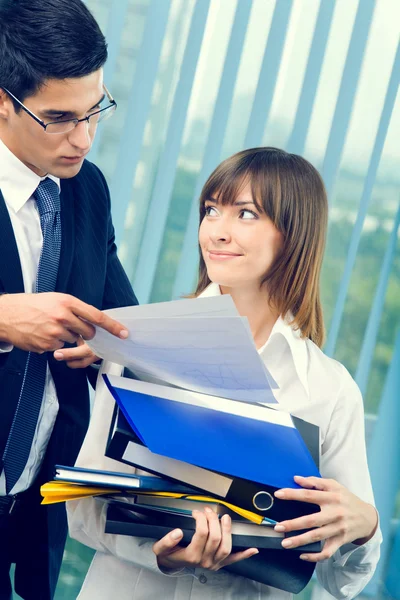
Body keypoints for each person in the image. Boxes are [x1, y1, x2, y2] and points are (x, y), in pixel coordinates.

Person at [68, 147, 382, 599]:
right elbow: (81, 507)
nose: (217, 231)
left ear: (293, 234)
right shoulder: (141, 343)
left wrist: (365, 525)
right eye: (211, 210)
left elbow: (341, 580)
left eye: (246, 214)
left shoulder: (328, 390)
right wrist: (161, 555)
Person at [0, 1, 138, 598]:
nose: (83, 139)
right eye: (60, 118)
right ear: (4, 102)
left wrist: (109, 347)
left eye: (95, 111)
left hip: (30, 509)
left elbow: (124, 322)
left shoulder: (88, 191)